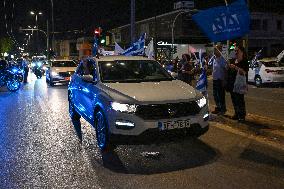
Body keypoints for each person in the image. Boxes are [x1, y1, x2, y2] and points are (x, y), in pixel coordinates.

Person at [227, 45, 249, 122]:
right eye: (235, 51)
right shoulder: (234, 60)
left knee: (240, 100)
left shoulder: (244, 61)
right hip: (233, 83)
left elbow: (244, 72)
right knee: (234, 99)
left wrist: (235, 68)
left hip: (239, 84)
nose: (236, 52)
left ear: (242, 52)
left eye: (237, 51)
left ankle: (242, 116)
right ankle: (236, 113)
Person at [212, 45, 227, 115]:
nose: (214, 51)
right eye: (214, 50)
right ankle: (218, 108)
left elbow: (225, 69)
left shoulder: (223, 59)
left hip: (220, 80)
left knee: (221, 96)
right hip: (214, 79)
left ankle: (223, 109)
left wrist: (224, 80)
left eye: (216, 50)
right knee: (215, 95)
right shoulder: (214, 59)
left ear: (220, 51)